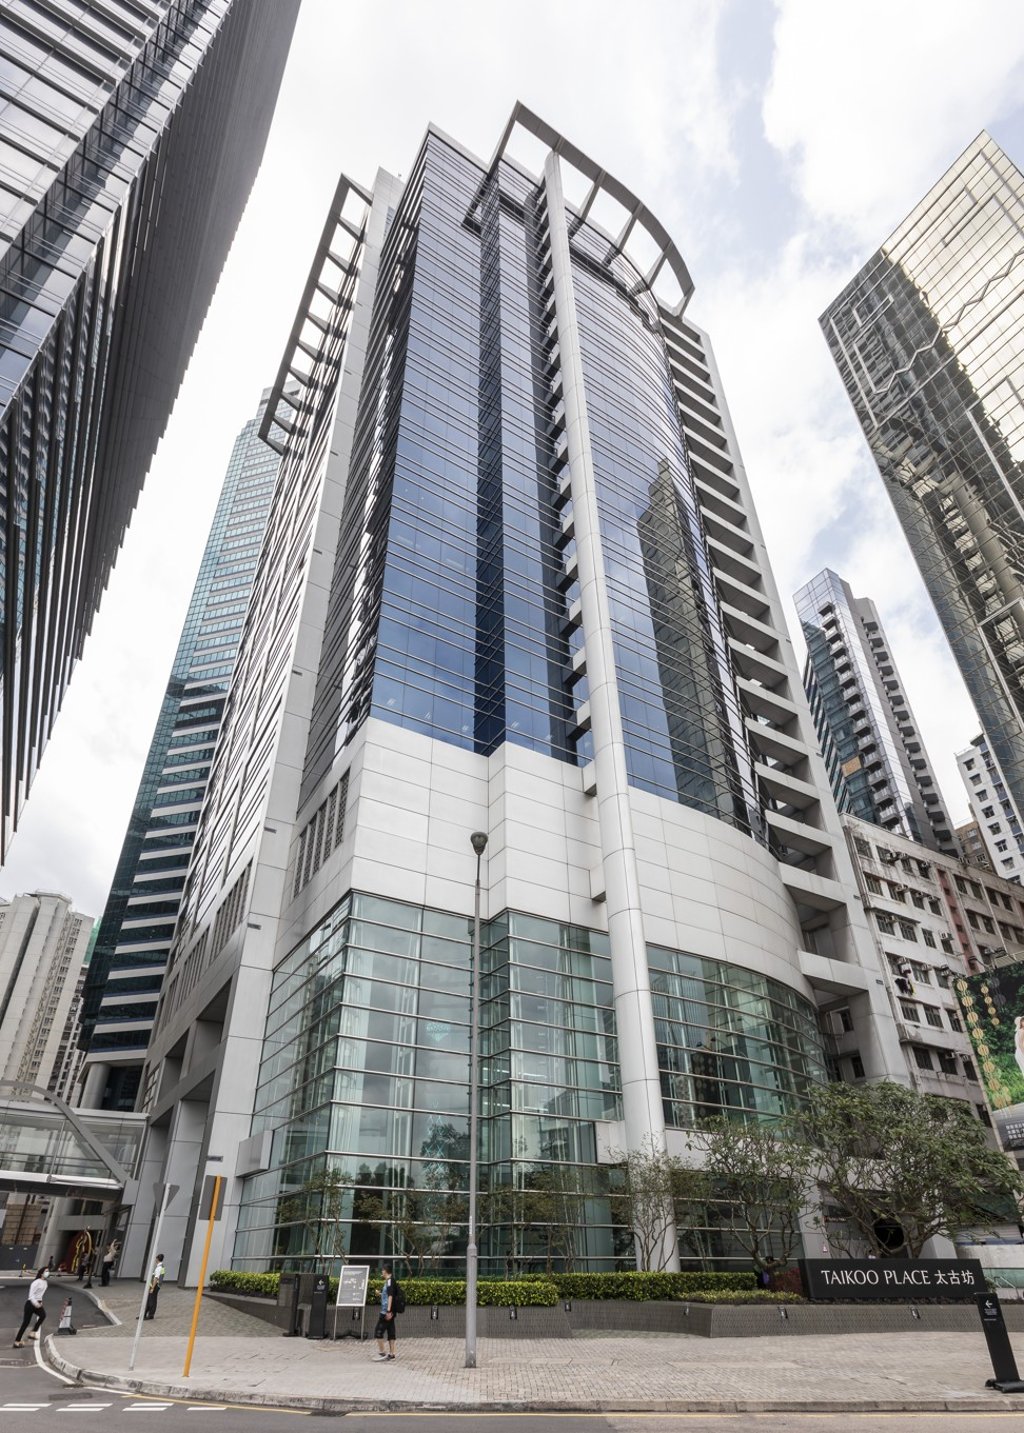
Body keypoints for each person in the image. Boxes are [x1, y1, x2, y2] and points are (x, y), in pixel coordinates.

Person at [13, 1268, 49, 1347]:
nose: (48, 1272)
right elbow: (31, 1295)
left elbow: (40, 1294)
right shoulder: (35, 1282)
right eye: (46, 1271)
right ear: (41, 1273)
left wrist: (41, 1301)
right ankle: (16, 1342)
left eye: (48, 1271)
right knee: (25, 1323)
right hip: (30, 1304)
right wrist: (36, 1304)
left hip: (38, 1303)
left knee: (43, 1316)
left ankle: (32, 1333)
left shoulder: (45, 1282)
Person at [372, 1263, 397, 1362]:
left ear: (386, 1271)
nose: (381, 1272)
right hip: (390, 1311)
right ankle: (392, 1354)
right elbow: (388, 1295)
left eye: (382, 1270)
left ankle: (382, 1353)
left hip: (386, 1312)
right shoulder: (390, 1281)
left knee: (378, 1332)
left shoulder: (389, 1282)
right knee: (391, 1332)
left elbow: (390, 1296)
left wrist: (388, 1311)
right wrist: (381, 1294)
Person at [144, 1253, 165, 1320]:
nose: (155, 1259)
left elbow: (156, 1278)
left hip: (155, 1286)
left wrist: (152, 1288)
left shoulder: (159, 1268)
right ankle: (144, 1314)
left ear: (157, 1259)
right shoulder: (161, 1266)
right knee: (150, 1300)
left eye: (156, 1258)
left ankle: (150, 1315)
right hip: (155, 1286)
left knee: (152, 1301)